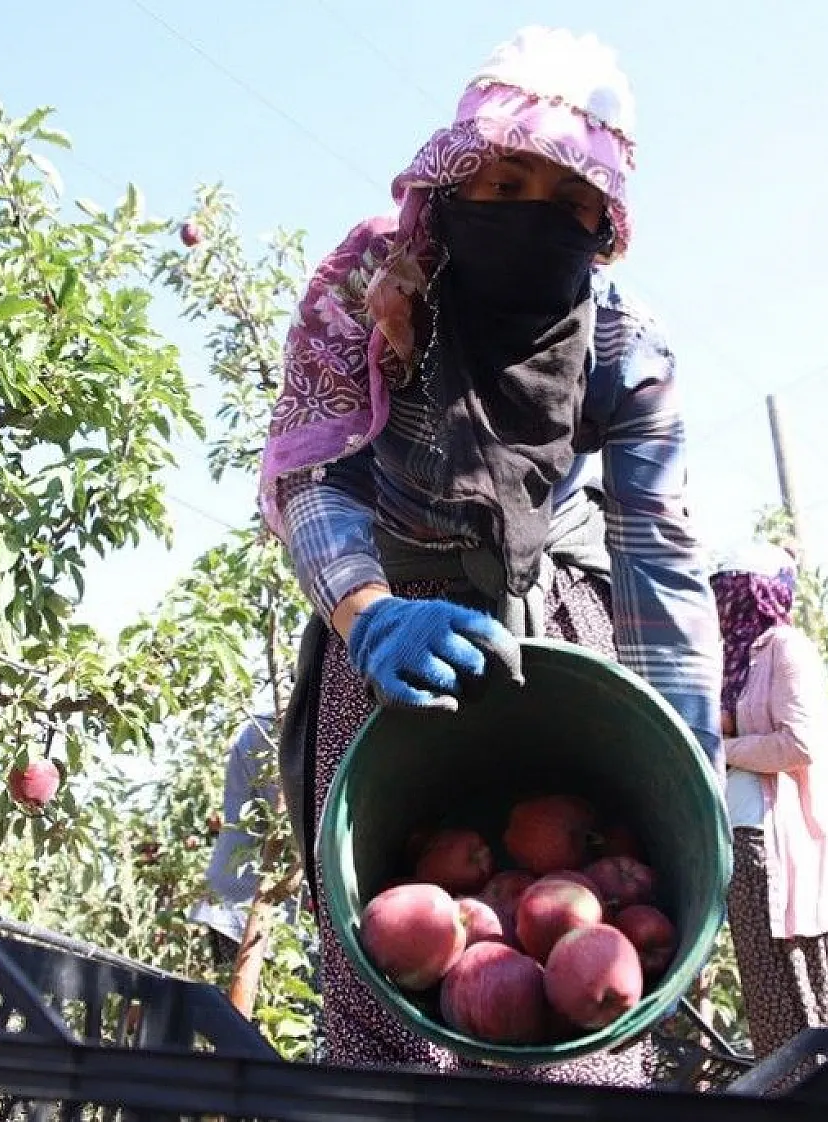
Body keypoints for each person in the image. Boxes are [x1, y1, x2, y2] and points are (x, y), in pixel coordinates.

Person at [259, 26, 721, 1086]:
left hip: (547, 623)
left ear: (601, 225)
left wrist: (687, 759)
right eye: (505, 183)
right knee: (385, 965)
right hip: (389, 624)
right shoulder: (372, 285)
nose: (531, 214)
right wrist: (369, 612)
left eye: (567, 200)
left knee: (571, 1014)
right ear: (453, 181)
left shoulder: (622, 343)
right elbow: (312, 473)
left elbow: (656, 551)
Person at [712, 543, 828, 1063]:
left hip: (775, 848)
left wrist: (724, 750)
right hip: (743, 842)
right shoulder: (738, 660)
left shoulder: (787, 651)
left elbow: (801, 744)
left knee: (798, 987)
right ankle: (793, 1088)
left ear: (752, 595)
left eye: (727, 593)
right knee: (769, 990)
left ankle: (816, 1090)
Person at [187, 715, 305, 969]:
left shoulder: (267, 726)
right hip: (249, 907)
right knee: (269, 990)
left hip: (245, 904)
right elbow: (294, 816)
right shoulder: (273, 729)